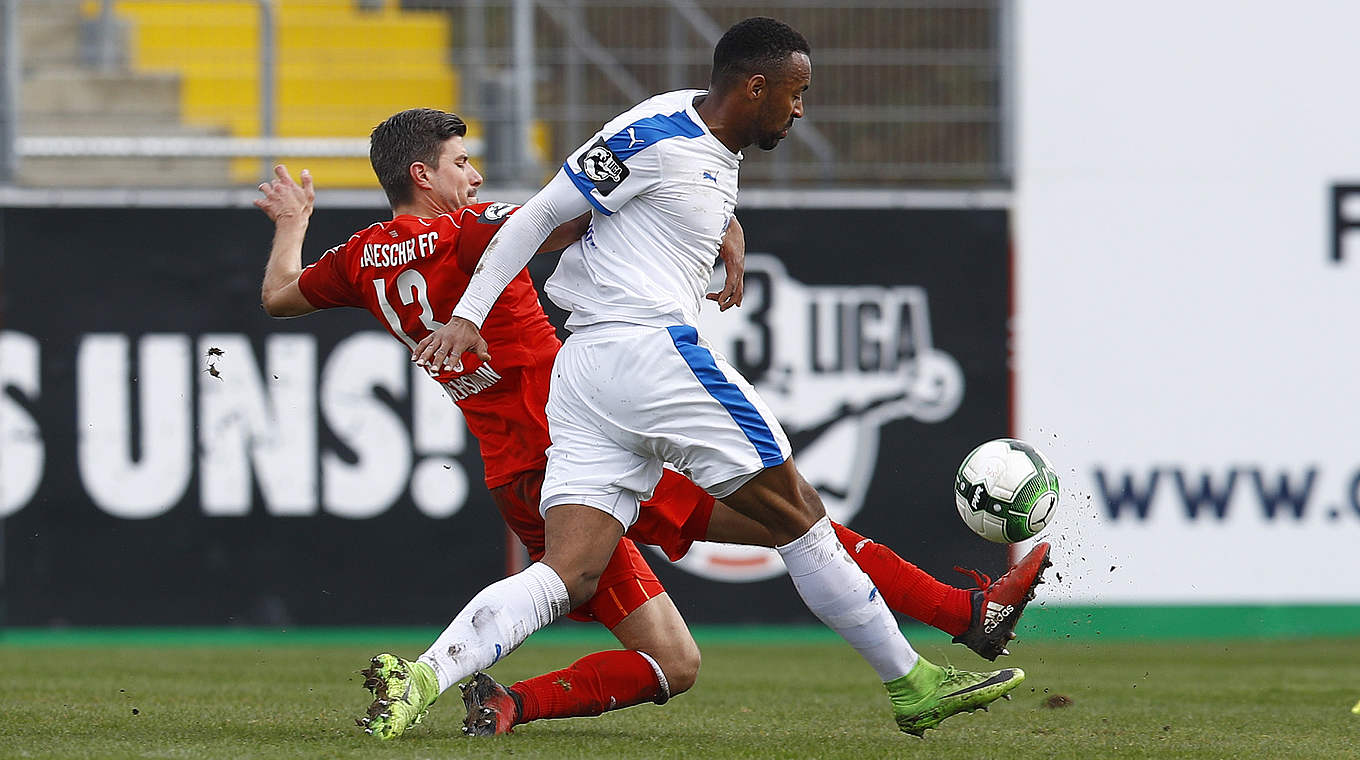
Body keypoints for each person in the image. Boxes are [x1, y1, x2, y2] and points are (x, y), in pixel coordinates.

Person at [255, 105, 1050, 739]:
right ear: (424, 175)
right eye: (462, 163)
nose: (476, 174)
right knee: (794, 519)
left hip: (517, 470)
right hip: (584, 435)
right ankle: (962, 618)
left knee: (673, 660)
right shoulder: (467, 229)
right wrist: (715, 216)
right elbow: (562, 217)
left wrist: (294, 221)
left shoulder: (362, 258)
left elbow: (279, 296)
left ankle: (502, 704)